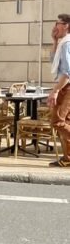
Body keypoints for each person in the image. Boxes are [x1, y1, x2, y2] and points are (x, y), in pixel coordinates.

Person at [49, 13, 70, 168]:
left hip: (66, 86)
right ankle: (68, 158)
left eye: (58, 23)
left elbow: (67, 72)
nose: (55, 26)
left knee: (57, 121)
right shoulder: (63, 43)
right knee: (66, 121)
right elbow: (54, 62)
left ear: (66, 25)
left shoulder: (67, 43)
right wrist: (55, 40)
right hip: (64, 85)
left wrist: (55, 91)